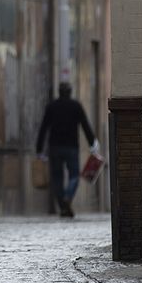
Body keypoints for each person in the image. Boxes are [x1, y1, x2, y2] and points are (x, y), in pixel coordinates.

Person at [35, 82, 98, 218]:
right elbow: (85, 125)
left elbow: (44, 128)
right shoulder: (75, 106)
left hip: (55, 147)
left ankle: (63, 206)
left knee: (57, 177)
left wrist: (39, 148)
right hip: (71, 147)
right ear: (70, 92)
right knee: (74, 175)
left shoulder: (51, 106)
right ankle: (68, 198)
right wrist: (92, 143)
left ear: (59, 92)